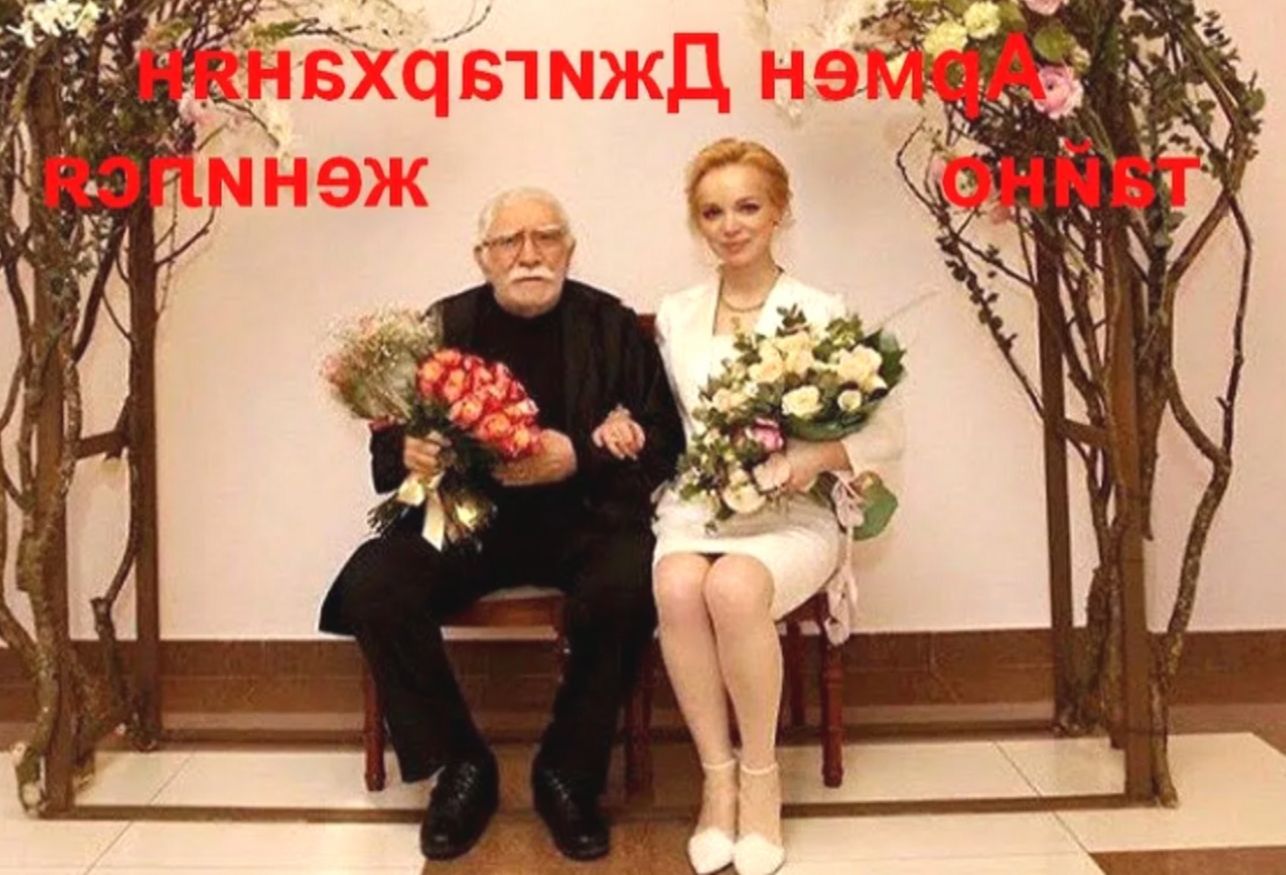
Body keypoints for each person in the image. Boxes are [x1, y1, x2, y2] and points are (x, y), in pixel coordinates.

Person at [319, 187, 684, 862]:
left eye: (547, 237)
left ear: (570, 250)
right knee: (376, 584)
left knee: (632, 580)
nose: (529, 254)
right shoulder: (442, 325)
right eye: (509, 241)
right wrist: (408, 448)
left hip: (585, 517)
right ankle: (461, 765)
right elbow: (389, 441)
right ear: (482, 256)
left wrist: (577, 454)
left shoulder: (609, 324)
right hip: (466, 521)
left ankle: (568, 772)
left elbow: (664, 440)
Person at [593, 139, 904, 875]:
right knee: (677, 584)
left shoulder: (822, 312)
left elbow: (883, 430)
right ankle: (717, 778)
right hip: (699, 507)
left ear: (779, 212)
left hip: (793, 514)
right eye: (712, 212)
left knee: (733, 587)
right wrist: (619, 416)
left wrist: (805, 461)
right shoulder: (678, 314)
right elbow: (658, 412)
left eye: (747, 207)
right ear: (696, 223)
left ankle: (761, 781)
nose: (730, 226)